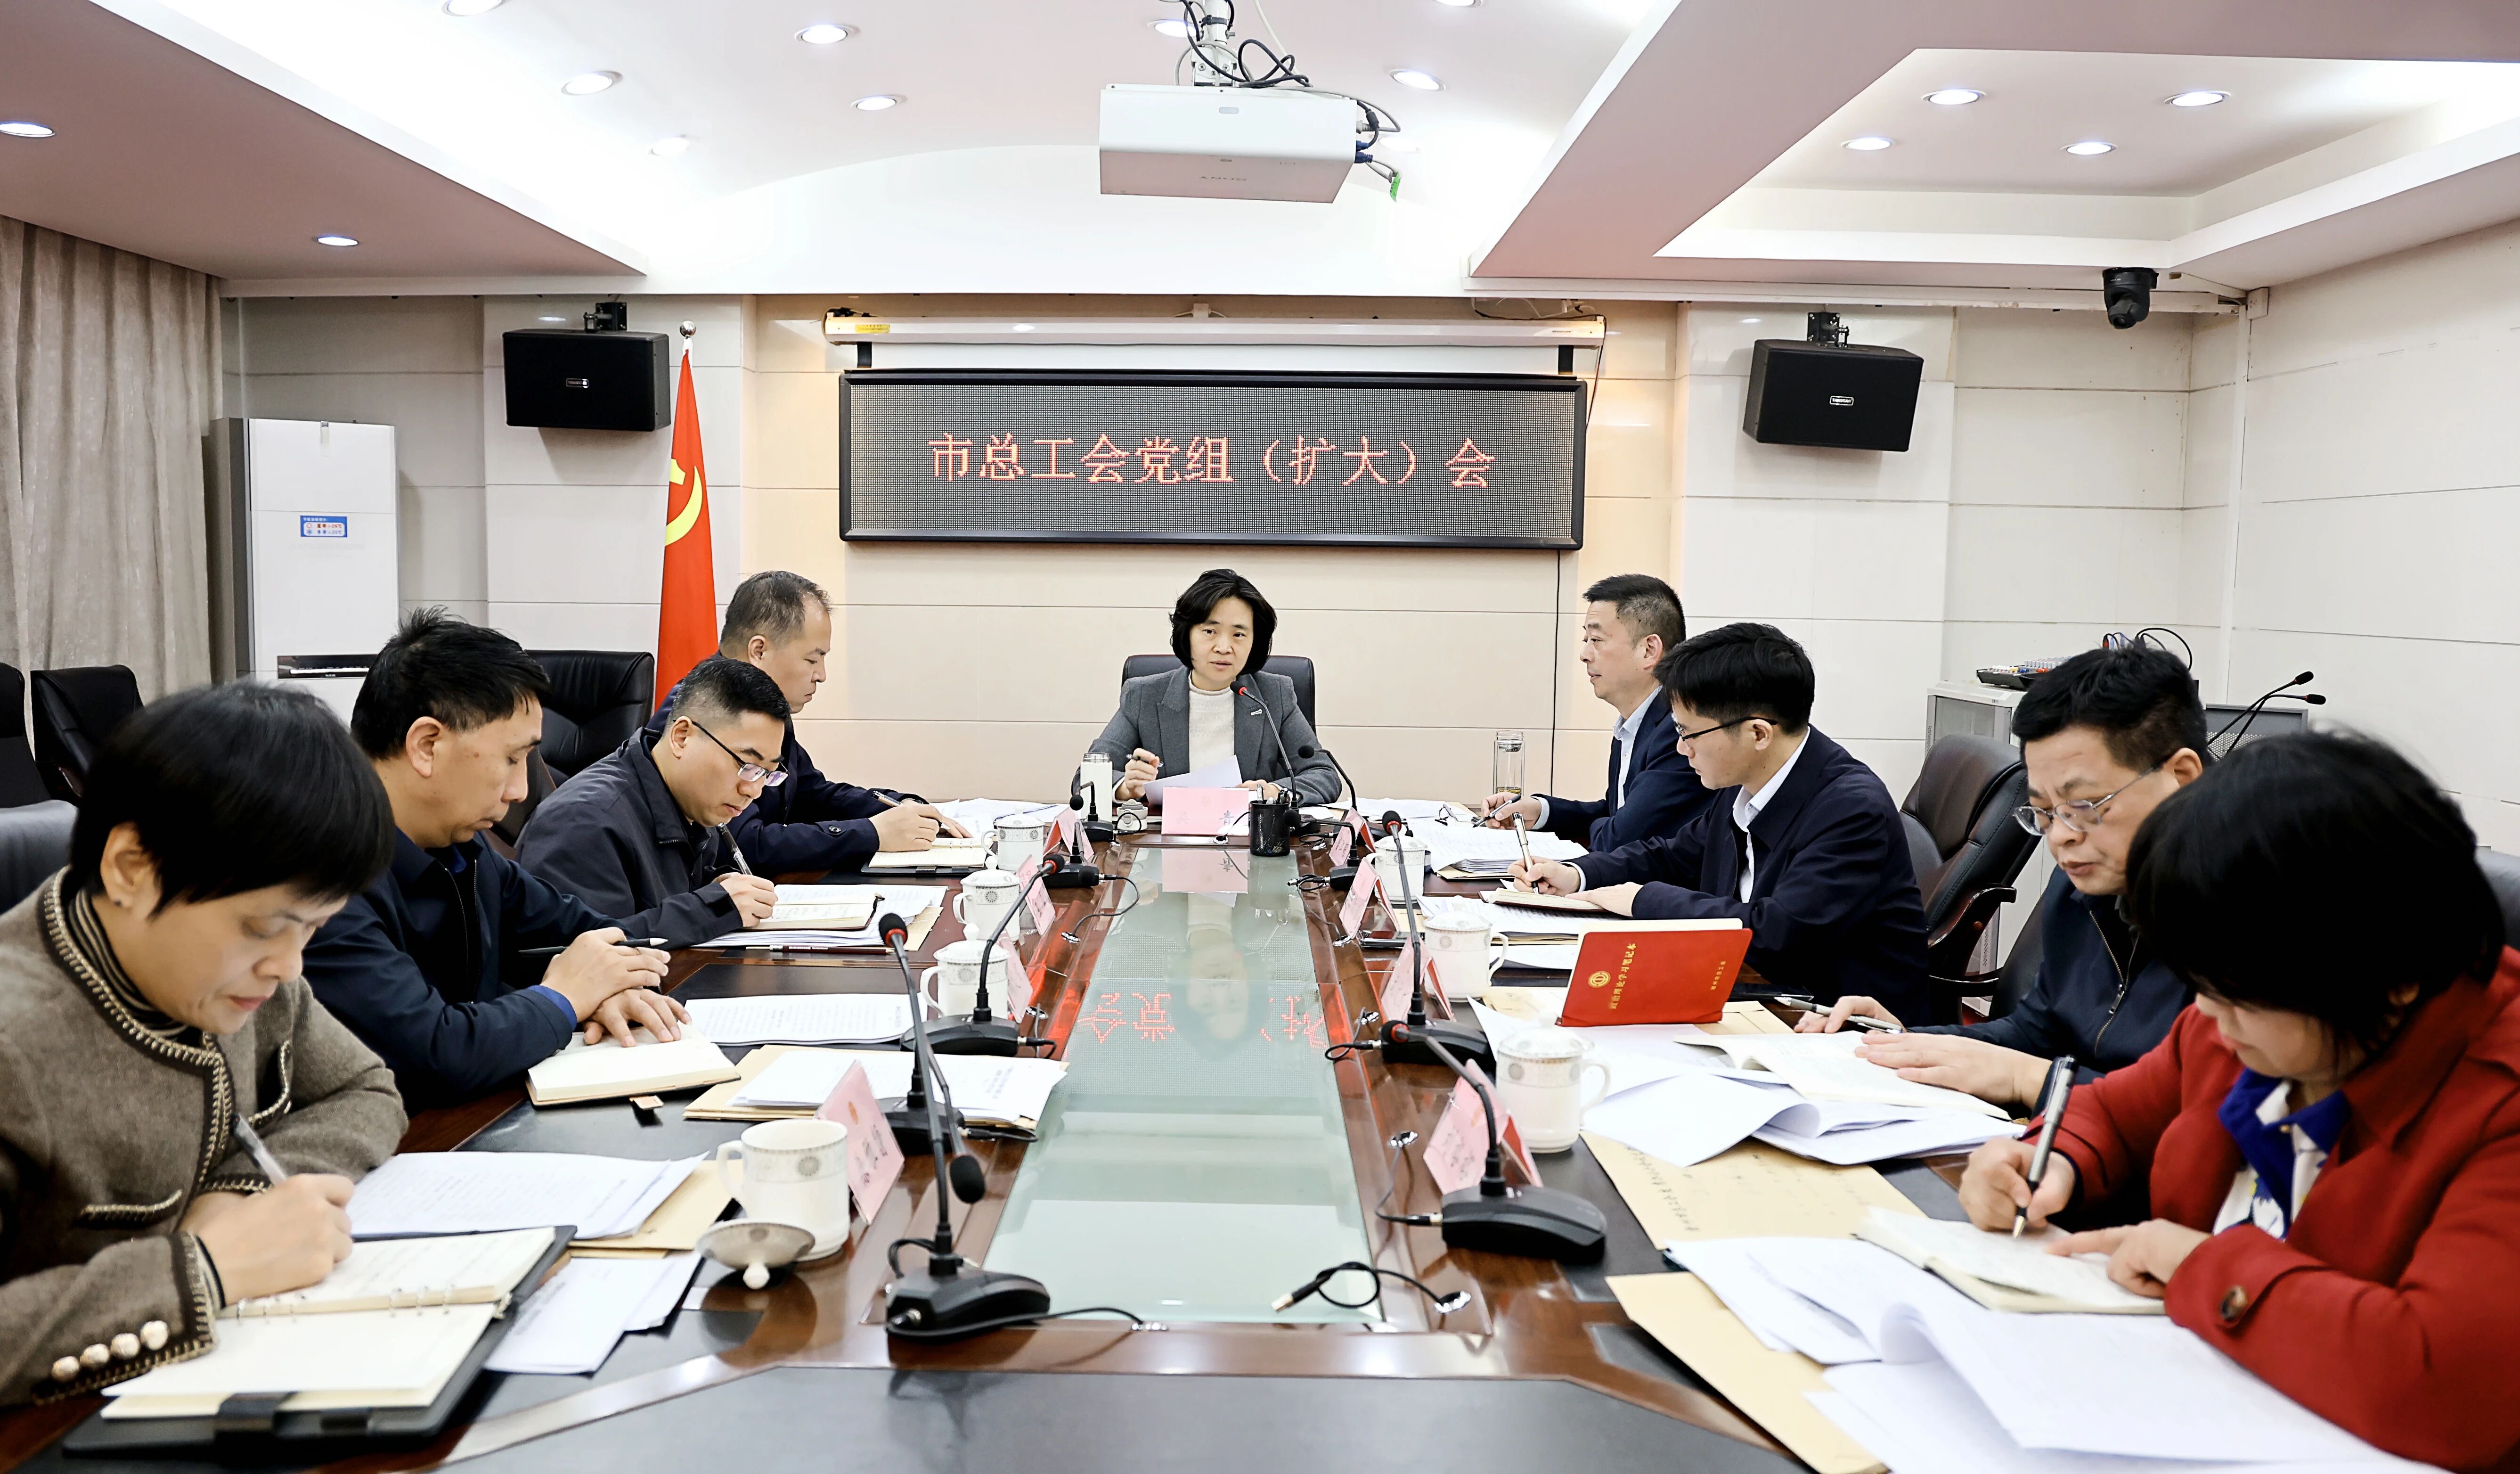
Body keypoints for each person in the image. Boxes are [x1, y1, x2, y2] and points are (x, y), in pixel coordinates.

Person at [1959, 733, 2520, 1472]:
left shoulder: (2497, 1099)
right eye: (2199, 982)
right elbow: (2113, 1114)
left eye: (2233, 992)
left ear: (2392, 974)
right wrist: (2047, 1159)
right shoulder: (2245, 1024)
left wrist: (2206, 1267)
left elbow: (2444, 1388)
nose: (2205, 1013)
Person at [0, 683, 406, 1405]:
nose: (290, 967)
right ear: (131, 869)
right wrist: (205, 1268)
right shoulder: (15, 1044)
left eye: (312, 928)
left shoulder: (249, 975)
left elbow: (365, 1088)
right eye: (262, 927)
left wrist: (239, 1194)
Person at [304, 611, 687, 1107]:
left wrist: (608, 986)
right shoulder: (320, 878)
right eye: (512, 759)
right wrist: (566, 999)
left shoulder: (464, 847)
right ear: (427, 745)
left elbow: (592, 933)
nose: (521, 790)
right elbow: (437, 1052)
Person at [1798, 644, 2205, 1110]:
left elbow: (2209, 1117)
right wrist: (1904, 1041)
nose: (2061, 836)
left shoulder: (2249, 916)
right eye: (2044, 811)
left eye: (2084, 805)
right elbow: (2037, 1031)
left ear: (2181, 777)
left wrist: (2029, 1079)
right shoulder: (2083, 883)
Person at [1510, 622, 1928, 1021]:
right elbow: (1675, 856)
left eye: (1689, 733)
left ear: (1758, 734)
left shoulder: (1849, 809)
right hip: (1754, 991)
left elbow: (1776, 933)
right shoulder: (1745, 779)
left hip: (1833, 1023)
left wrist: (1642, 900)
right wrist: (1577, 874)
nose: (1681, 749)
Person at [644, 570, 967, 872]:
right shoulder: (701, 715)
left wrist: (896, 807)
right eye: (812, 659)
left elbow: (809, 795)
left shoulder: (763, 708)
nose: (821, 675)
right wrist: (871, 833)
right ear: (759, 651)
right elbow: (743, 844)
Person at [519, 656, 783, 940]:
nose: (754, 790)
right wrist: (712, 908)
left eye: (766, 773)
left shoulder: (694, 804)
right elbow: (589, 949)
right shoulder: (584, 821)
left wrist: (716, 888)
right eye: (747, 766)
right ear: (682, 737)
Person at [1479, 574, 1715, 851]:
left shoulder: (1679, 731)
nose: (1585, 654)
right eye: (1586, 639)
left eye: (1597, 640)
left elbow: (1621, 838)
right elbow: (1617, 814)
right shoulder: (1635, 723)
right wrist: (1540, 811)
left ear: (1649, 650)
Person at [1086, 567, 1340, 808]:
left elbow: (1324, 775)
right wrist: (1125, 787)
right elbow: (1088, 778)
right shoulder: (1144, 695)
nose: (1224, 647)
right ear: (1187, 634)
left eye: (1239, 635)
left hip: (1249, 833)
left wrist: (1273, 792)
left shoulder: (1274, 695)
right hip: (1167, 835)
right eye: (1210, 631)